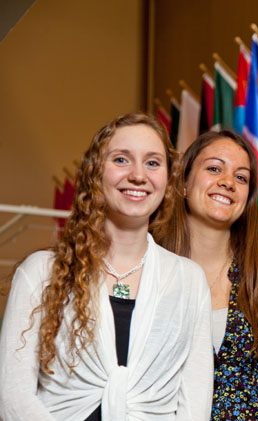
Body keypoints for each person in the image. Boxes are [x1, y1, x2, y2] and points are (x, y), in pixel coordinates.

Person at [0, 113, 213, 420]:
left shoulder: (189, 281)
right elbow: (14, 398)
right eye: (122, 160)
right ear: (95, 172)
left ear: (168, 180)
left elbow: (195, 404)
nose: (138, 175)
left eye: (153, 162)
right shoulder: (40, 273)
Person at [156, 130, 258, 420]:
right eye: (214, 168)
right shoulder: (148, 268)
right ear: (184, 183)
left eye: (241, 177)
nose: (227, 182)